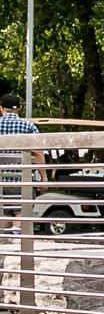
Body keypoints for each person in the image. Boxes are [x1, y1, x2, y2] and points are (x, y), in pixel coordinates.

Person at [0, 92, 43, 236]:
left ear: (1, 108)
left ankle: (5, 234)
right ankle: (16, 230)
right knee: (23, 205)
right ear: (19, 109)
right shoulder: (29, 126)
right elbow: (38, 153)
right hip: (21, 180)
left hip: (0, 180)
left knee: (3, 209)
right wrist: (44, 178)